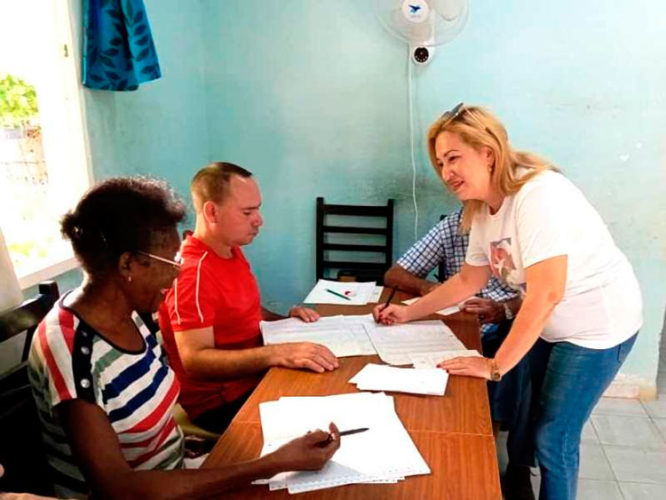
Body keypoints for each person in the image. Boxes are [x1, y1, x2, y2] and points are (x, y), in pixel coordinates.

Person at [375, 103, 642, 500]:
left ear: (488, 152)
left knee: (555, 435)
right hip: (550, 323)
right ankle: (518, 482)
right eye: (439, 163)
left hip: (597, 329)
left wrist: (494, 365)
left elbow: (548, 291)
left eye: (453, 158)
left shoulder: (538, 194)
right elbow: (468, 279)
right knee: (528, 413)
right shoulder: (482, 209)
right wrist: (408, 312)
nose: (446, 173)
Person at [28, 177, 340, 499]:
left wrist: (185, 445)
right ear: (128, 264)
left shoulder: (128, 313)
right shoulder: (71, 349)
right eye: (171, 262)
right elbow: (118, 489)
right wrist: (269, 464)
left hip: (177, 473)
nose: (178, 273)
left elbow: (144, 422)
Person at [158, 162, 339, 434]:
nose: (259, 220)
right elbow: (194, 360)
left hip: (254, 378)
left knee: (336, 378)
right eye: (247, 212)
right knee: (331, 419)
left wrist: (284, 321)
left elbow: (242, 312)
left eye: (258, 209)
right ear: (212, 212)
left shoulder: (229, 249)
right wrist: (277, 353)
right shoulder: (193, 273)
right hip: (221, 403)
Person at [383, 209, 535, 499]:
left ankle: (515, 463)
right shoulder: (456, 224)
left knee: (522, 369)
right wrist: (433, 289)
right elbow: (395, 273)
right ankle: (443, 448)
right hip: (460, 322)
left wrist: (503, 309)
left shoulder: (522, 224)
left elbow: (539, 295)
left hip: (512, 320)